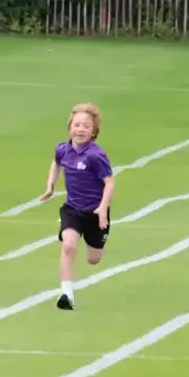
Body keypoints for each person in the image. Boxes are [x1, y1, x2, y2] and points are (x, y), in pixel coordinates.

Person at [41, 102, 114, 310]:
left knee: (93, 259)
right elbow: (56, 163)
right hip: (72, 208)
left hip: (95, 212)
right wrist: (50, 185)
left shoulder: (96, 155)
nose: (80, 129)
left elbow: (109, 181)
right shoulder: (62, 150)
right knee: (69, 244)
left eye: (86, 126)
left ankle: (95, 242)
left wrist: (103, 208)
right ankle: (66, 294)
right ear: (70, 127)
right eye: (77, 125)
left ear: (93, 132)